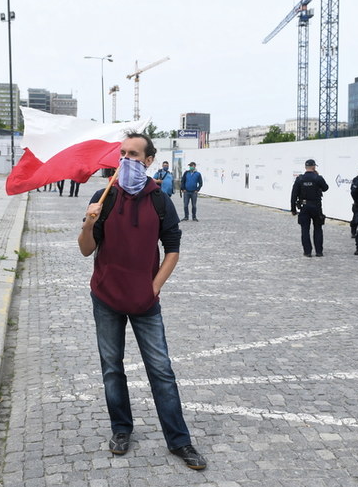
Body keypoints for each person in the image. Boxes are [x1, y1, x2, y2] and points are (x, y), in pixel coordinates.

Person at [77, 133, 206, 471]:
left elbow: (173, 248)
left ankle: (179, 440)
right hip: (106, 297)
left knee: (161, 370)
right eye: (122, 154)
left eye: (134, 155)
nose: (126, 160)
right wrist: (89, 221)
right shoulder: (102, 197)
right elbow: (86, 249)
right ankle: (121, 430)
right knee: (112, 368)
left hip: (145, 301)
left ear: (149, 160)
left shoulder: (159, 200)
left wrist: (154, 287)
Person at [290, 159, 329, 257]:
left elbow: (293, 195)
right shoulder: (318, 178)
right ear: (314, 167)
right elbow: (325, 188)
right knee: (318, 229)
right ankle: (319, 251)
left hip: (304, 207)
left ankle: (307, 252)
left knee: (305, 230)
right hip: (316, 206)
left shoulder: (300, 179)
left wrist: (293, 209)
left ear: (305, 167)